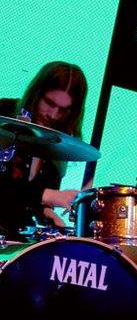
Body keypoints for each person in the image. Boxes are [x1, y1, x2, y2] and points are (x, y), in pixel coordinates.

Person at [0, 61, 87, 237]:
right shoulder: (4, 114)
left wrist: (47, 213)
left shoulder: (58, 143)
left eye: (64, 110)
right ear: (36, 94)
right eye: (49, 102)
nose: (54, 115)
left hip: (11, 237)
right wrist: (51, 195)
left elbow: (26, 198)